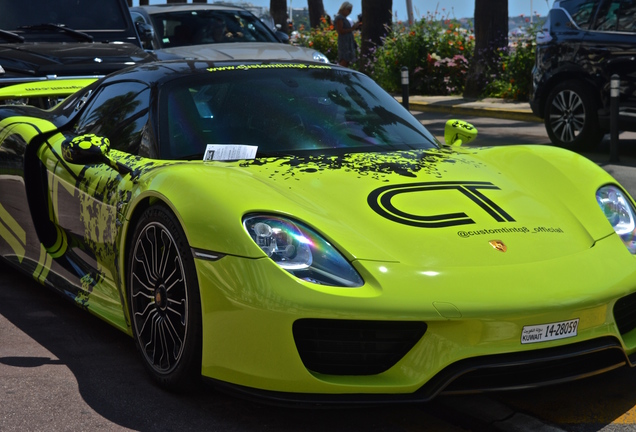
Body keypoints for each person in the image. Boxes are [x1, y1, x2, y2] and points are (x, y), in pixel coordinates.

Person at [334, 2, 361, 67]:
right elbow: (341, 31)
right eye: (348, 10)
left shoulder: (345, 18)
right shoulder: (340, 18)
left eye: (350, 10)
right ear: (344, 8)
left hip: (348, 42)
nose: (350, 12)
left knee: (347, 60)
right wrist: (352, 29)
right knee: (344, 60)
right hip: (344, 42)